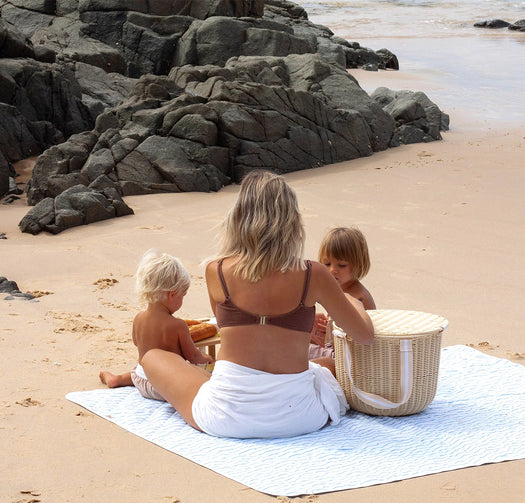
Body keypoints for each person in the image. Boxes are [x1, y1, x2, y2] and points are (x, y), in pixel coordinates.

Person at [141, 170, 374, 438]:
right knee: (327, 367)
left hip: (226, 417)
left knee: (153, 357)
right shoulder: (313, 274)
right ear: (291, 222)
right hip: (300, 417)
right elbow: (364, 336)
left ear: (239, 217)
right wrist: (350, 300)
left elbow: (227, 326)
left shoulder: (216, 270)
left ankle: (228, 387)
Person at [99, 249, 213, 400]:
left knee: (139, 369)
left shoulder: (138, 318)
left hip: (141, 381)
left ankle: (117, 379)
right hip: (166, 387)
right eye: (182, 296)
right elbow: (192, 356)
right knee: (201, 376)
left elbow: (136, 341)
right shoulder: (178, 325)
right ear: (172, 295)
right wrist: (206, 358)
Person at [309, 226, 376, 359]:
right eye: (327, 264)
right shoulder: (335, 288)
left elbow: (359, 345)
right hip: (335, 348)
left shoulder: (358, 297)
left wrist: (328, 335)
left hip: (347, 357)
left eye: (341, 265)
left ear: (358, 265)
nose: (333, 270)